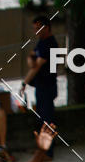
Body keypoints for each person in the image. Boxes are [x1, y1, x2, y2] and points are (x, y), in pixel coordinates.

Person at [21, 15, 59, 144]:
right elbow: (32, 62)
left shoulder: (49, 44)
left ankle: (48, 150)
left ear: (46, 28)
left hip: (47, 85)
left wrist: (24, 82)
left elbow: (36, 67)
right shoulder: (41, 43)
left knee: (47, 119)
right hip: (41, 86)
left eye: (38, 28)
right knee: (41, 117)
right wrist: (30, 58)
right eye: (34, 28)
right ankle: (43, 148)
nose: (36, 31)